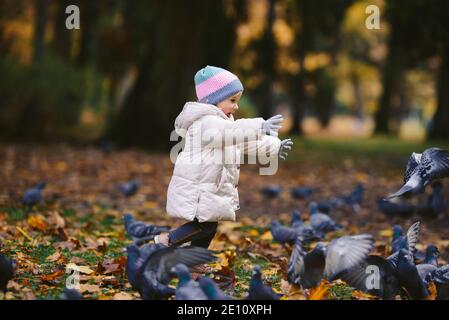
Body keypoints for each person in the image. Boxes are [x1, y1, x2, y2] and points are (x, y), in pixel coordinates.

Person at [156, 65, 293, 254]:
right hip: (199, 189)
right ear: (214, 99)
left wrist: (274, 146)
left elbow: (243, 142)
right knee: (205, 227)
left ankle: (193, 260)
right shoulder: (205, 122)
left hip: (209, 188)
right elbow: (233, 132)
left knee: (208, 230)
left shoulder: (223, 124)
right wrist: (260, 125)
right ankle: (165, 241)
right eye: (233, 100)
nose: (236, 106)